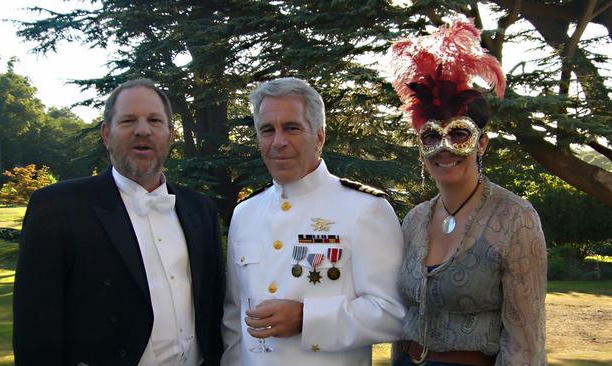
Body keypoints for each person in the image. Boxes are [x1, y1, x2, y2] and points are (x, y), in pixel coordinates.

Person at [13, 79, 224, 366]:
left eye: (154, 120)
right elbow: (34, 324)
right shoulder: (57, 207)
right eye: (127, 121)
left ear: (170, 134)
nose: (142, 130)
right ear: (106, 133)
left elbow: (215, 305)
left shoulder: (201, 209)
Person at [388, 19, 547, 366]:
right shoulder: (414, 220)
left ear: (482, 144)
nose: (444, 148)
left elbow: (525, 341)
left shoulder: (515, 218)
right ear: (420, 148)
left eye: (458, 134)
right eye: (431, 136)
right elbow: (404, 318)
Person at [220, 77, 405, 366]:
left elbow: (393, 313)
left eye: (291, 128)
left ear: (319, 137)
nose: (278, 142)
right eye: (267, 130)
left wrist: (307, 319)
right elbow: (234, 318)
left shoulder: (365, 209)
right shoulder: (245, 213)